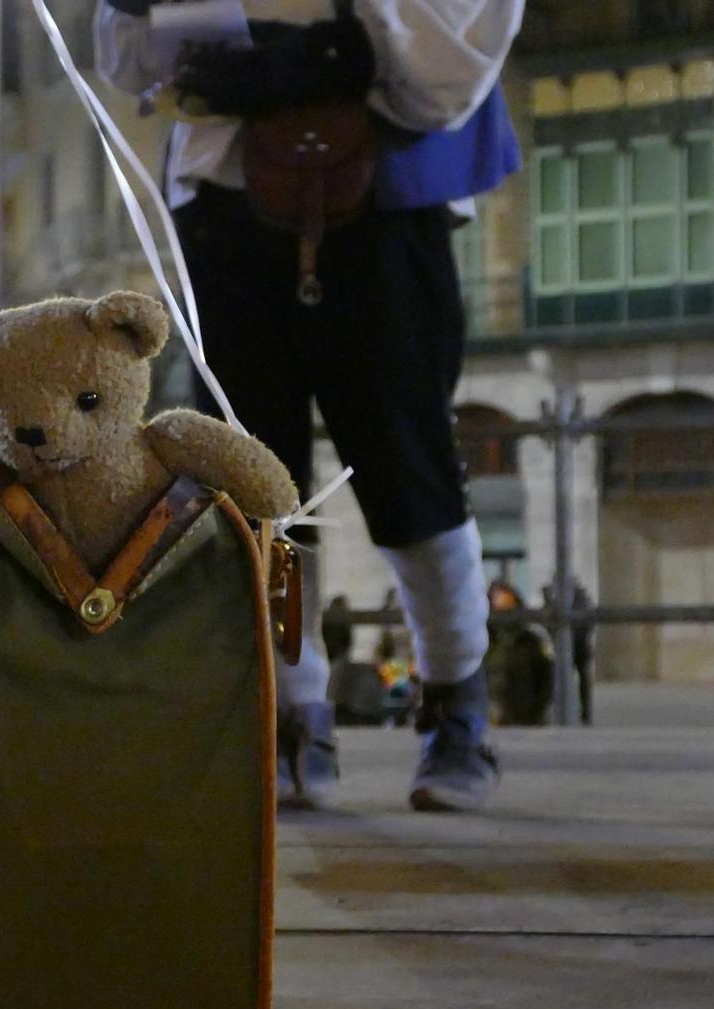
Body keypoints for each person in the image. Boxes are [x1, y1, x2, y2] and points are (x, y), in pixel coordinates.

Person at [97, 0, 523, 812]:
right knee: (254, 483)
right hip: (225, 197)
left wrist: (328, 48)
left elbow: (450, 67)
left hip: (387, 193)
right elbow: (132, 62)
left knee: (411, 470)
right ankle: (292, 710)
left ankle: (456, 701)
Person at [483, 581, 552, 726]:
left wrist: (536, 713)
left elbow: (546, 678)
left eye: (507, 604)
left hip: (524, 717)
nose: (502, 611)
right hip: (489, 718)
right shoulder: (482, 641)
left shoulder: (531, 640)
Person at [541, 577, 593, 724]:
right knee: (562, 679)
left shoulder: (579, 598)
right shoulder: (553, 598)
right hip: (567, 645)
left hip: (579, 645)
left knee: (582, 680)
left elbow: (588, 619)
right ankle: (563, 711)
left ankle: (584, 713)